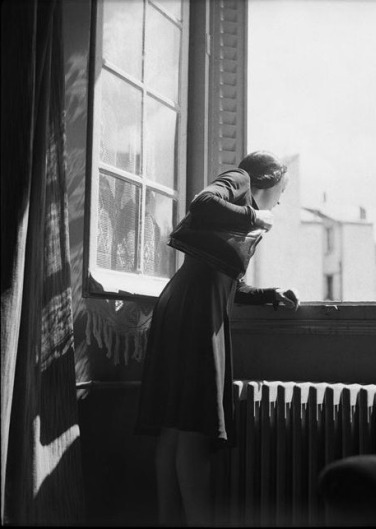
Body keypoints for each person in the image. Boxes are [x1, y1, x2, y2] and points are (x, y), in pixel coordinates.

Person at [135, 151, 300, 526]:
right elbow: (202, 201)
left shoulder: (240, 223)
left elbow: (231, 286)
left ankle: (168, 520)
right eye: (281, 191)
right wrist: (256, 215)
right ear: (268, 182)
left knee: (176, 426)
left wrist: (273, 293)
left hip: (184, 303)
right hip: (194, 309)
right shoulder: (239, 182)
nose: (281, 200)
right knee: (193, 425)